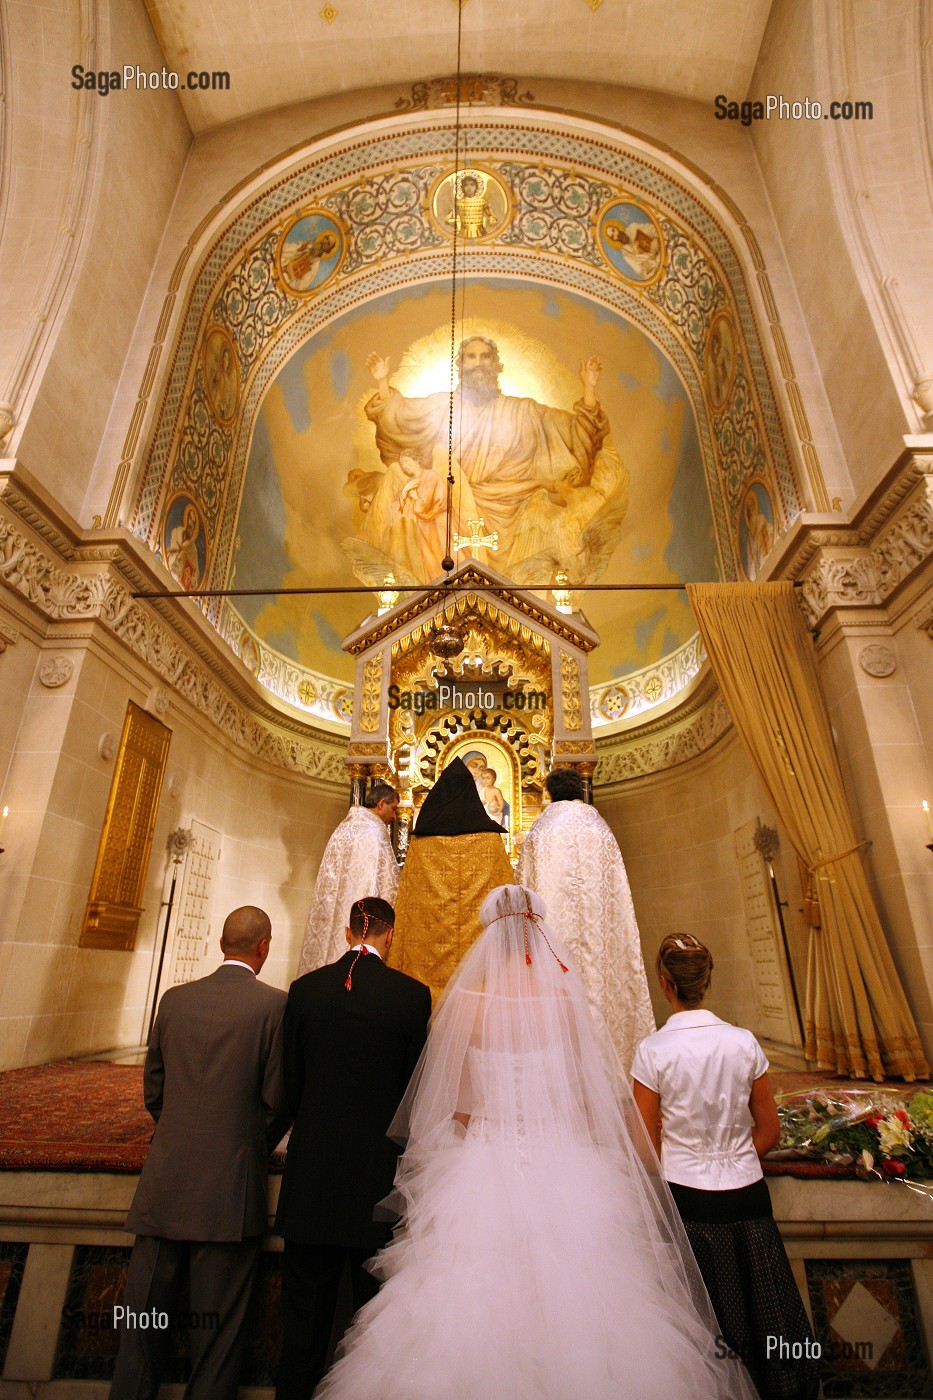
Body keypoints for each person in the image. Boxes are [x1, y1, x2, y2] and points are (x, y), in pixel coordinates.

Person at [314, 886, 757, 1400]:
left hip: (482, 1163)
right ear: (536, 933)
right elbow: (582, 1094)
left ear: (491, 936)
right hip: (561, 1160)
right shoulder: (564, 1002)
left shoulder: (469, 1005)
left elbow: (457, 1107)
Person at [110, 907, 288, 1400]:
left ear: (220, 942)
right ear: (264, 947)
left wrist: (178, 1136)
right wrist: (246, 1144)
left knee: (140, 1330)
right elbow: (278, 1099)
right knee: (217, 1343)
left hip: (164, 1183)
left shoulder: (175, 999)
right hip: (228, 1195)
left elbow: (154, 1089)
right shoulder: (274, 1007)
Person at [632, 934, 820, 1400]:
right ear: (706, 981)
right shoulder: (743, 1042)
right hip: (748, 1193)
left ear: (664, 983)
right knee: (768, 1312)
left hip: (689, 1198)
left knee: (707, 1319)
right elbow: (770, 1132)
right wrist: (732, 1156)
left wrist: (692, 1161)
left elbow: (642, 1146)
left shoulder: (653, 1051)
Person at [275, 897, 431, 1399]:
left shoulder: (305, 990)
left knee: (301, 1329)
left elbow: (290, 1087)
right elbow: (414, 1098)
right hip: (376, 1185)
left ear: (347, 933)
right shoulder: (411, 997)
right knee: (373, 1330)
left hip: (311, 1181)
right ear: (390, 935)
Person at [364, 336, 609, 562]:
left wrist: (589, 388)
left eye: (485, 356)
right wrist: (382, 382)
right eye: (471, 357)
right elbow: (401, 419)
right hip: (454, 508)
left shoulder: (523, 411)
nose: (478, 363)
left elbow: (573, 434)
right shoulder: (440, 407)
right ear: (461, 365)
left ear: (495, 364)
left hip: (513, 506)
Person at [516, 765, 655, 1071]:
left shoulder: (540, 831)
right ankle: (611, 1067)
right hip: (600, 940)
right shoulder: (600, 828)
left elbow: (524, 887)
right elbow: (617, 891)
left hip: (553, 941)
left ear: (550, 793)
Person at [392, 756, 512, 1005]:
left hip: (426, 954)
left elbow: (407, 901)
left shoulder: (422, 844)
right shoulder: (490, 841)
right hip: (479, 958)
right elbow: (506, 896)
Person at [295, 784, 400, 976]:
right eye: (393, 809)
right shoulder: (375, 835)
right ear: (381, 803)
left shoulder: (343, 829)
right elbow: (386, 886)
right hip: (361, 930)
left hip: (338, 925)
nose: (394, 817)